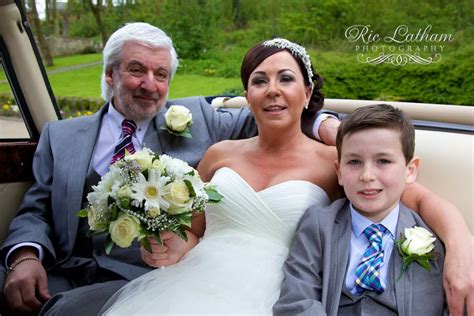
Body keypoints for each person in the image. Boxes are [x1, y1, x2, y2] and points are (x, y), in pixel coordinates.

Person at [101, 40, 470, 315]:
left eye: (286, 78)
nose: (273, 89)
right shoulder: (219, 154)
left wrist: (460, 245)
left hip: (279, 297)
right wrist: (173, 247)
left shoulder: (339, 162)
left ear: (307, 93)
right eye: (260, 80)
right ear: (247, 94)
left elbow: (417, 198)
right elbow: (192, 232)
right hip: (189, 284)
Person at [0, 24, 336, 316]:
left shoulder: (201, 120)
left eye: (161, 74)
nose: (150, 84)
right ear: (109, 74)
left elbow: (273, 113)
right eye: (136, 70)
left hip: (147, 276)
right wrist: (25, 257)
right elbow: (36, 208)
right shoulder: (60, 135)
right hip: (67, 265)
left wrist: (326, 123)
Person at [274, 104, 447, 315]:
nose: (367, 176)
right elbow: (297, 301)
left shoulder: (432, 237)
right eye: (354, 161)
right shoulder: (319, 224)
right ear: (339, 172)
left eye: (383, 161)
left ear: (410, 171)